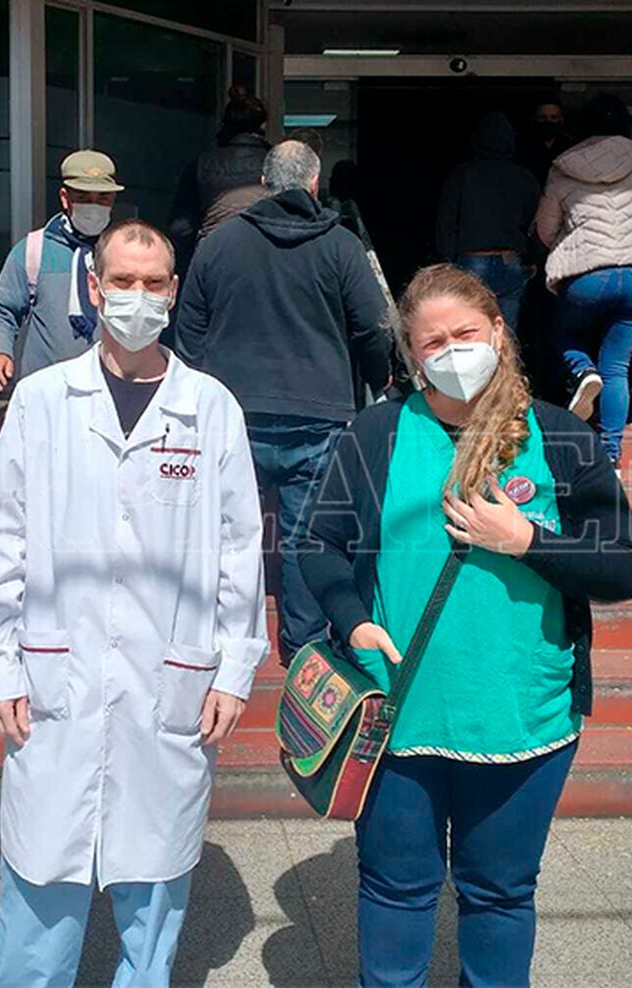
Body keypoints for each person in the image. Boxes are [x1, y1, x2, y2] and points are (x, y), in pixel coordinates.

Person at [298, 264, 632, 987]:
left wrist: (527, 541)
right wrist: (353, 620)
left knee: (500, 894)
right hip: (397, 715)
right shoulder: (377, 433)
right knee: (397, 891)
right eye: (432, 342)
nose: (452, 351)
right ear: (411, 354)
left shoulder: (558, 435)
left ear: (498, 332)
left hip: (523, 718)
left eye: (465, 334)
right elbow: (318, 544)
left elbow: (623, 567)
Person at [0, 219, 268, 986]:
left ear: (174, 292)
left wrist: (236, 665)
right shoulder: (42, 400)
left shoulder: (210, 407)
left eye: (154, 282)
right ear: (95, 290)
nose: (137, 297)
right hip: (53, 678)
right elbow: (0, 539)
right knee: (39, 890)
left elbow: (240, 547)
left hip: (171, 680)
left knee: (154, 900)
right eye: (122, 282)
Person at [175, 140, 391, 663]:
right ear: (314, 183)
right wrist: (378, 384)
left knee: (224, 532)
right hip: (319, 415)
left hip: (233, 413)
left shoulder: (219, 244)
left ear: (265, 185)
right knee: (304, 539)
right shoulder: (340, 246)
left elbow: (188, 334)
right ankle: (303, 649)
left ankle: (215, 640)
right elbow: (373, 328)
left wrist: (198, 398)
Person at [536, 94, 632, 466]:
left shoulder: (563, 168)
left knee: (565, 336)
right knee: (618, 366)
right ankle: (611, 454)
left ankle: (582, 370)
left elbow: (546, 229)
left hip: (587, 276)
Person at [0, 149, 125, 393]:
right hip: (47, 393)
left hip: (113, 390)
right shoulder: (33, 251)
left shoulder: (125, 250)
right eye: (84, 197)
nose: (94, 206)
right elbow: (0, 310)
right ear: (65, 198)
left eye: (103, 198)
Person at [436, 111, 542, 334]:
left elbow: (446, 222)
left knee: (469, 331)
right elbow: (535, 225)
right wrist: (532, 258)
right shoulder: (524, 177)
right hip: (511, 259)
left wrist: (449, 259)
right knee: (507, 334)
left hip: (472, 260)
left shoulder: (462, 175)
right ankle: (503, 368)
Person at [167, 86, 271, 270]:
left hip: (215, 258)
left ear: (224, 125)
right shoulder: (276, 164)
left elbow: (180, 228)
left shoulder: (202, 165)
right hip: (269, 258)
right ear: (263, 126)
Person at [516, 98, 574, 181]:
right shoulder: (520, 144)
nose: (548, 121)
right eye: (542, 117)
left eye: (553, 117)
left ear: (561, 120)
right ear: (533, 119)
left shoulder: (570, 145)